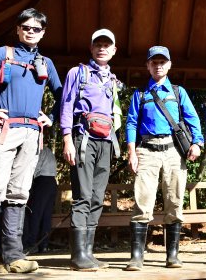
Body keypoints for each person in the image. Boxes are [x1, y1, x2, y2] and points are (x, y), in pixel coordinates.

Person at [0, 8, 62, 280]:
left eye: (36, 28)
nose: (31, 32)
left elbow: (63, 94)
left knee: (19, 194)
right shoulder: (3, 54)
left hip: (32, 135)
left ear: (43, 32)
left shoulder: (46, 62)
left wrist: (50, 117)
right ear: (18, 29)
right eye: (26, 27)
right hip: (4, 130)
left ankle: (12, 257)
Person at [124, 46, 204, 271]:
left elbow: (192, 118)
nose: (158, 65)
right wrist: (132, 152)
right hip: (146, 151)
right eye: (154, 62)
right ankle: (136, 257)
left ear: (169, 65)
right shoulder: (139, 94)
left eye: (162, 62)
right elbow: (131, 123)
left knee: (175, 201)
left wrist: (197, 143)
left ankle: (173, 256)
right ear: (148, 65)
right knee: (142, 201)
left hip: (173, 152)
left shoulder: (178, 92)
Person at [60, 29, 122, 271]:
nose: (102, 48)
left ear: (114, 50)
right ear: (91, 47)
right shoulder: (78, 73)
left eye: (107, 45)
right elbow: (66, 106)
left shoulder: (112, 79)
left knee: (97, 197)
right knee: (83, 196)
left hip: (106, 142)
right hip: (83, 139)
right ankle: (78, 255)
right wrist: (67, 140)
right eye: (98, 44)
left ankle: (88, 252)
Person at [23, 146, 58, 254]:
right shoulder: (48, 151)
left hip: (42, 181)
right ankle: (44, 244)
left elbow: (34, 168)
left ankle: (31, 244)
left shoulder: (38, 149)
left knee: (35, 213)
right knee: (46, 215)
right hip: (52, 182)